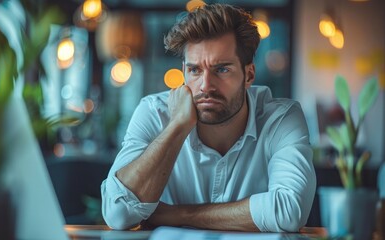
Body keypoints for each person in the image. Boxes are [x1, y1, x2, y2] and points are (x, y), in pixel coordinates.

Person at [101, 3, 316, 232]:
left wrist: (177, 214)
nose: (205, 86)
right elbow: (118, 214)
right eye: (195, 70)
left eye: (222, 69)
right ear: (184, 70)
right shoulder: (155, 112)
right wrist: (177, 126)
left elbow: (289, 210)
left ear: (249, 74)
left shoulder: (282, 119)